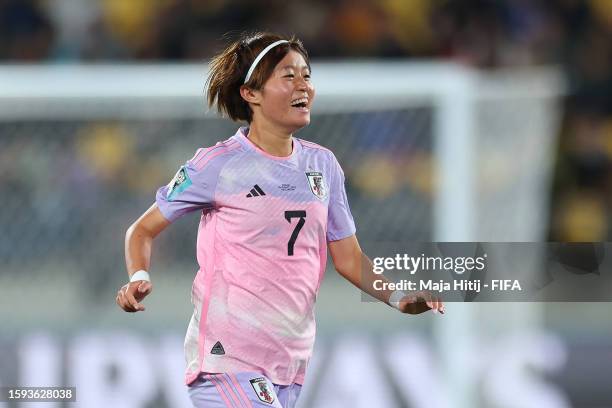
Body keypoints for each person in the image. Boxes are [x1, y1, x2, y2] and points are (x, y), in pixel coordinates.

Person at [116, 31, 444, 408]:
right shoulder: (217, 165)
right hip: (227, 363)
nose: (303, 85)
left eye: (306, 75)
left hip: (289, 367)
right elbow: (142, 229)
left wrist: (399, 297)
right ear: (251, 93)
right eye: (288, 76)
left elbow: (350, 259)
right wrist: (138, 276)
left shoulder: (323, 166)